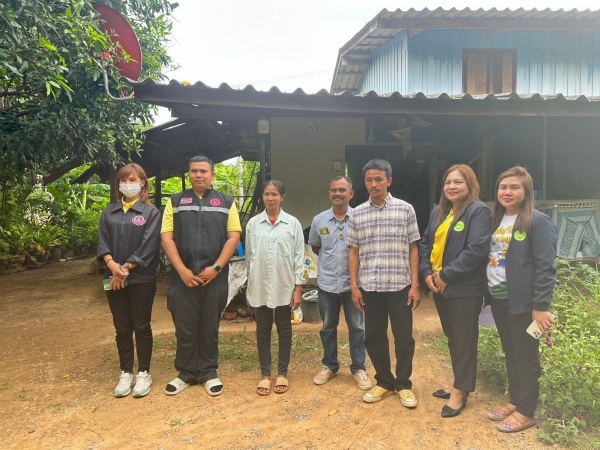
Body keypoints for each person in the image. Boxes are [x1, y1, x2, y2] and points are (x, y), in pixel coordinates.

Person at [161, 156, 242, 396]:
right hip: (182, 277)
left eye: (204, 171)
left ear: (212, 175)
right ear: (189, 175)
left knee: (209, 326)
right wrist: (182, 270)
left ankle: (208, 372)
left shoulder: (226, 202)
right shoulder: (175, 202)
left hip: (214, 276)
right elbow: (166, 238)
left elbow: (234, 237)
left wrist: (216, 268)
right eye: (194, 171)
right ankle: (186, 373)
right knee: (184, 326)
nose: (199, 175)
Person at [486, 166, 557, 433]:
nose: (507, 192)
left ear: (526, 191)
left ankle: (526, 411)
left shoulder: (538, 222)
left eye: (514, 187)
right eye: (503, 187)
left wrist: (541, 307)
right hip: (498, 297)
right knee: (510, 351)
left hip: (524, 303)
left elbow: (546, 267)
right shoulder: (497, 220)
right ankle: (516, 401)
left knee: (526, 355)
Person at [346, 159, 421, 407]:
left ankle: (403, 384)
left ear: (389, 181)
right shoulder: (357, 213)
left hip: (399, 286)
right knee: (373, 337)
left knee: (403, 337)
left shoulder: (405, 210)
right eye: (369, 180)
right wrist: (354, 287)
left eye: (379, 179)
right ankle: (385, 382)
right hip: (370, 287)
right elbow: (353, 252)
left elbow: (413, 248)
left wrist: (415, 285)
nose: (374, 184)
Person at [419, 164, 491, 417]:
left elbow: (476, 250)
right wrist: (427, 273)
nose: (451, 186)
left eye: (458, 182)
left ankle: (461, 391)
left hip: (464, 288)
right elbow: (425, 242)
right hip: (439, 286)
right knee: (452, 336)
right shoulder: (439, 212)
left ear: (470, 185)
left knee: (464, 339)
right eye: (448, 182)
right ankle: (458, 381)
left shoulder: (478, 212)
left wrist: (445, 275)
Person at [97, 163, 161, 398]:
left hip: (141, 278)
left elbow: (149, 245)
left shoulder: (150, 213)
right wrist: (113, 266)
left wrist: (124, 268)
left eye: (133, 180)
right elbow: (102, 243)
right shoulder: (109, 212)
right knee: (122, 327)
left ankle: (144, 372)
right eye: (123, 180)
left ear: (142, 183)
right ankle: (126, 372)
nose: (128, 184)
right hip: (113, 278)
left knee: (141, 326)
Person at [308, 176, 372, 390]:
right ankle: (330, 365)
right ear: (329, 193)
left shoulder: (360, 218)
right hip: (327, 284)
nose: (338, 193)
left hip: (354, 285)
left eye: (342, 190)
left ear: (351, 194)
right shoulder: (319, 220)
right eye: (334, 190)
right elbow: (316, 247)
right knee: (328, 327)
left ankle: (358, 368)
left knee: (357, 327)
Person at [245, 180, 304, 396]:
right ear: (262, 197)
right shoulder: (253, 224)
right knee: (262, 329)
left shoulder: (292, 224)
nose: (270, 198)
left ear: (282, 197)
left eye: (275, 194)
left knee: (284, 328)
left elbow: (299, 256)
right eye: (267, 194)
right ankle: (265, 374)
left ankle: (282, 372)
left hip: (284, 285)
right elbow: (249, 257)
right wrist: (251, 283)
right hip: (260, 283)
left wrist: (298, 287)